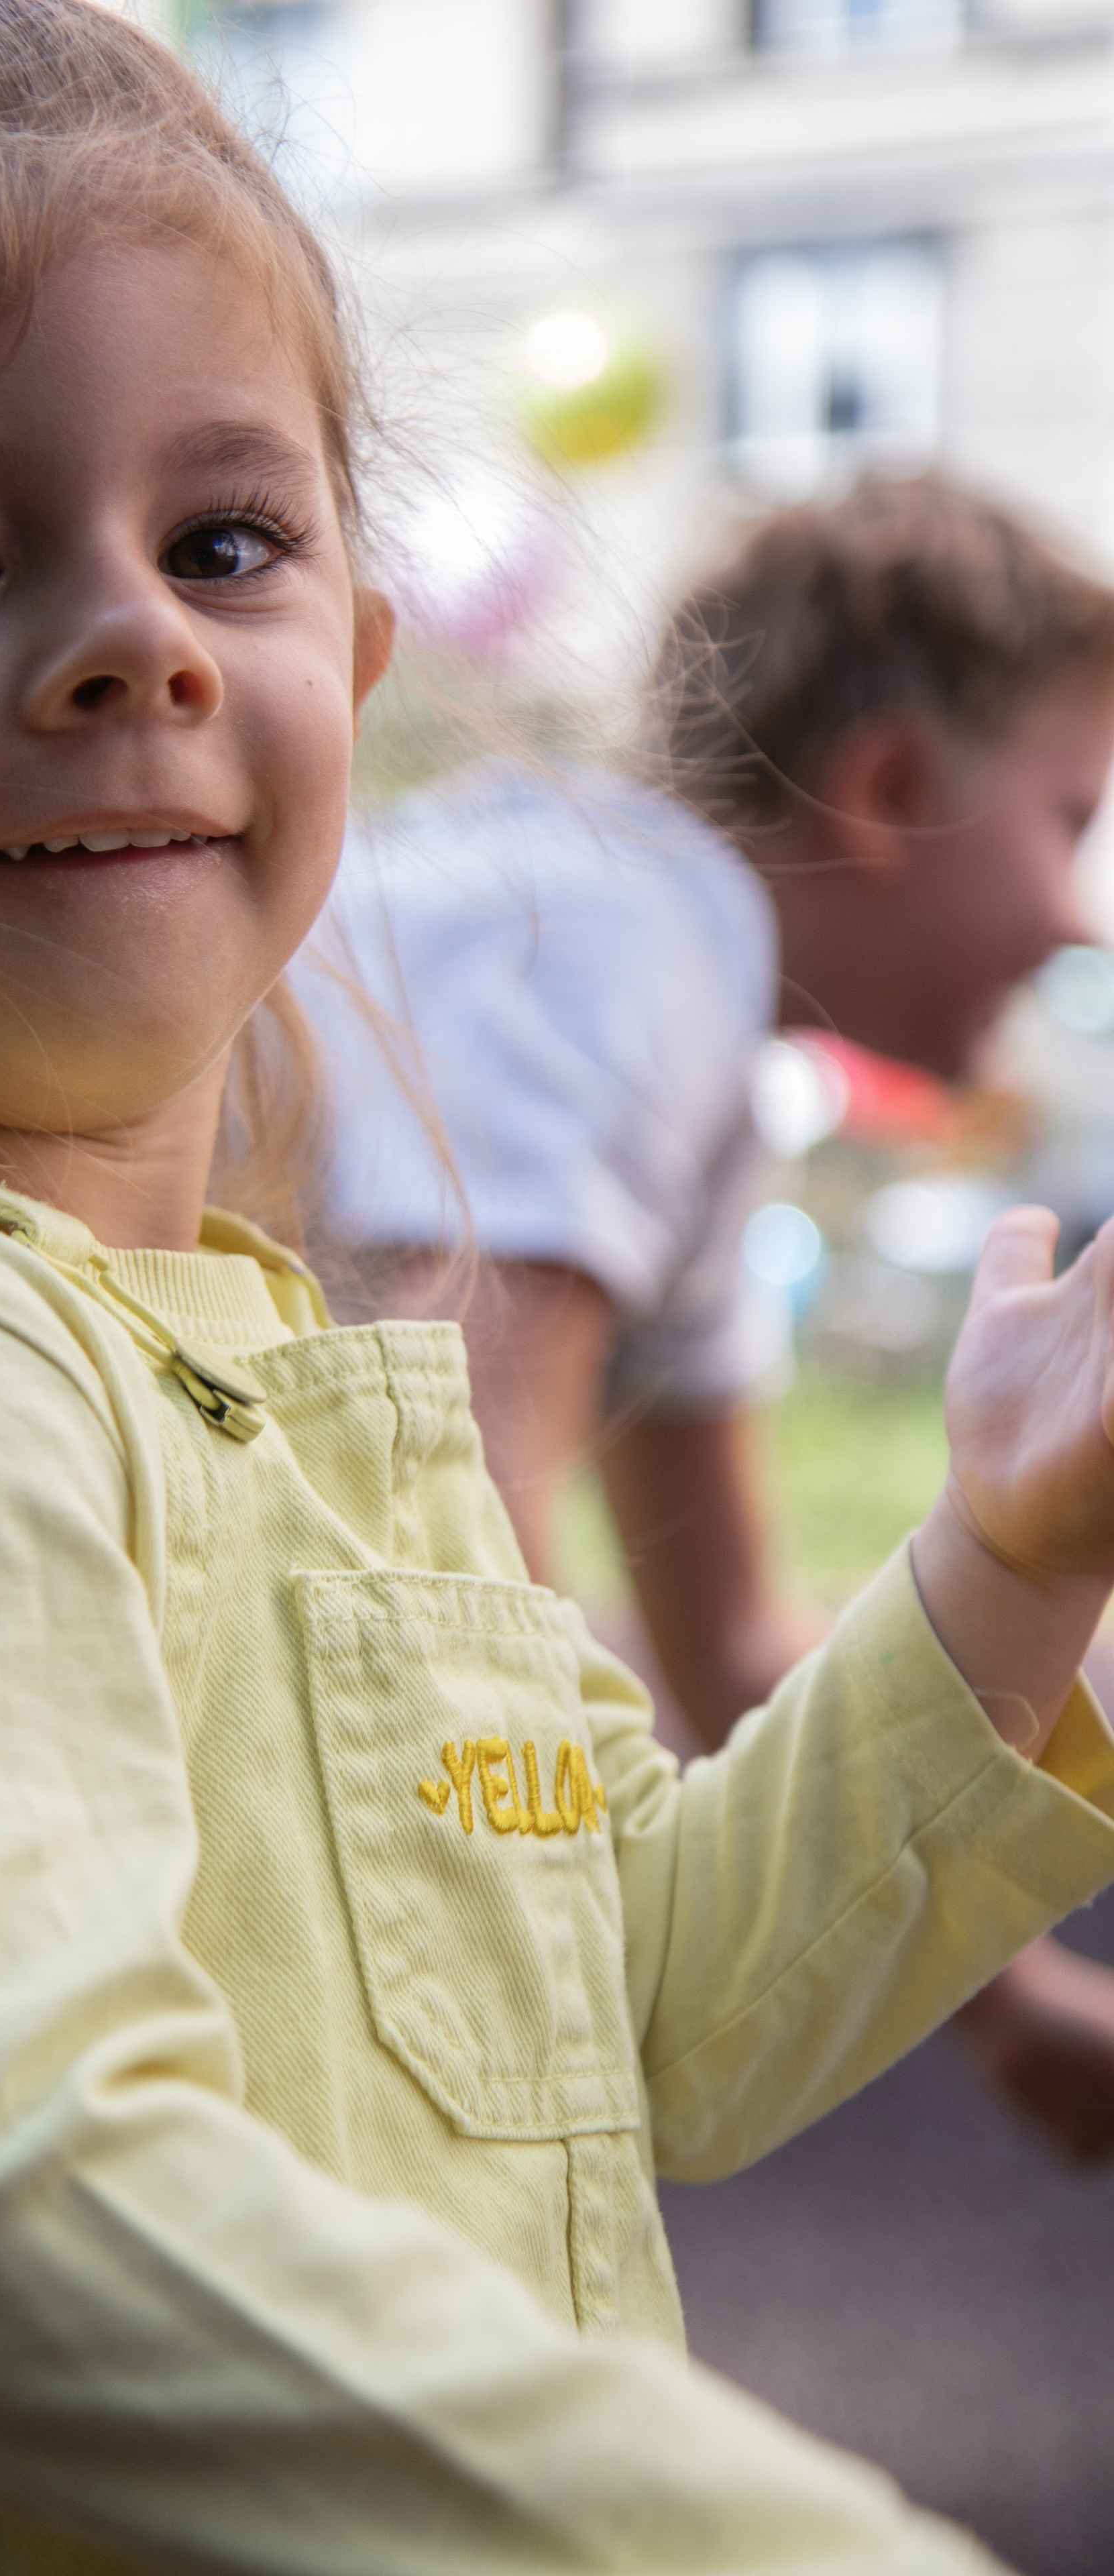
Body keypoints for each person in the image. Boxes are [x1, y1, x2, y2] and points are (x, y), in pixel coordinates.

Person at [0, 9, 1114, 2569]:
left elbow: (617, 2015)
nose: (136, 645)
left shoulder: (234, 1360)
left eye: (221, 544)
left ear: (359, 660)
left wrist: (1002, 1560)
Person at [303, 476, 1114, 2159]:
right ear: (890, 790)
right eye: (1069, 819)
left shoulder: (690, 1023)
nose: (1077, 913)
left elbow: (731, 1642)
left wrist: (1007, 1997)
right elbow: (453, 1509)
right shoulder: (630, 929)